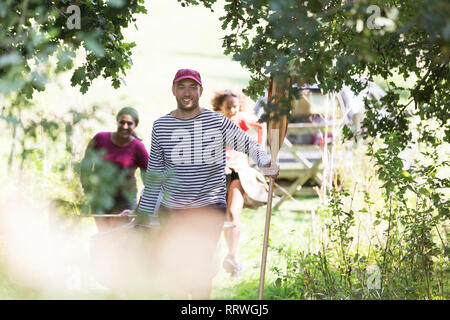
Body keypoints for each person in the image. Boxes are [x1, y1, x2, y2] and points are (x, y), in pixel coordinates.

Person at [128, 69, 279, 299]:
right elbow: (156, 174)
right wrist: (144, 212)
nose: (187, 93)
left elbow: (249, 144)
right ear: (173, 90)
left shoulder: (216, 122)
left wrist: (265, 161)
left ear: (200, 90)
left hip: (208, 207)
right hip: (172, 210)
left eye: (192, 87)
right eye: (182, 87)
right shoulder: (161, 126)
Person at [211, 89, 269, 279]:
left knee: (234, 212)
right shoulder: (214, 121)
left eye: (235, 106)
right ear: (220, 107)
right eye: (228, 107)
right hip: (219, 172)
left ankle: (233, 257)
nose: (232, 110)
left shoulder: (242, 118)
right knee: (220, 216)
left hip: (238, 171)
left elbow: (261, 125)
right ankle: (220, 256)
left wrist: (260, 148)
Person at [81, 107, 149, 232]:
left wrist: (138, 208)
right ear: (117, 121)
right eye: (122, 122)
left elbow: (150, 180)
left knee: (120, 236)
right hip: (100, 199)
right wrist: (88, 190)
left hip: (125, 201)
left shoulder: (138, 147)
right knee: (103, 235)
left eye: (129, 123)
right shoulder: (100, 139)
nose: (125, 126)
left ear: (135, 126)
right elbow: (86, 166)